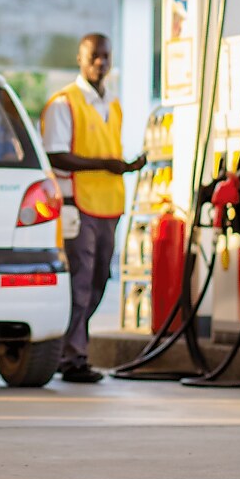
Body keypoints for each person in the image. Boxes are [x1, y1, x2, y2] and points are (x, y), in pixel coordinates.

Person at [40, 34, 145, 383]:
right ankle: (72, 356)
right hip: (77, 205)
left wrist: (126, 167)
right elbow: (56, 155)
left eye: (105, 56)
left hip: (108, 205)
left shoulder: (112, 104)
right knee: (80, 282)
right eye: (93, 56)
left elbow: (108, 153)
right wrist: (105, 165)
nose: (100, 62)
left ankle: (71, 347)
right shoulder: (64, 103)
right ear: (80, 58)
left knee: (99, 279)